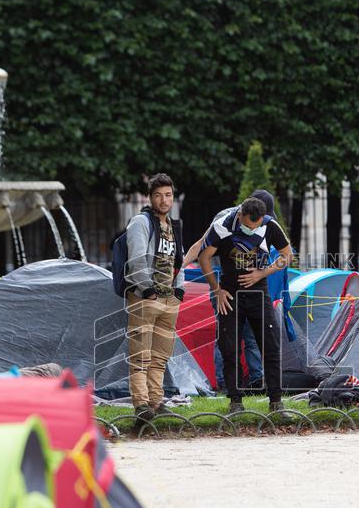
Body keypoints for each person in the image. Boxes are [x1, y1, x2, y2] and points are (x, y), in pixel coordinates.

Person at [197, 196, 292, 413]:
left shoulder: (269, 225)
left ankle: (276, 401)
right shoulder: (222, 226)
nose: (252, 230)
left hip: (260, 293)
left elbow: (287, 255)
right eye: (248, 226)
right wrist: (217, 290)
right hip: (230, 295)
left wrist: (262, 273)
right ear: (240, 216)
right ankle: (235, 401)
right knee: (229, 348)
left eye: (255, 227)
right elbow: (204, 257)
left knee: (271, 345)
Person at [183, 191, 279, 391]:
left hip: (253, 288)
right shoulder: (224, 219)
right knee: (227, 337)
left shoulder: (264, 222)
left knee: (253, 336)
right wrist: (181, 266)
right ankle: (225, 385)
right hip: (225, 288)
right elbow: (201, 245)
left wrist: (261, 274)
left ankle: (256, 382)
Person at [124, 173, 185, 421]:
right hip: (145, 298)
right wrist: (147, 289)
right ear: (150, 197)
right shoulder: (141, 223)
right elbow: (137, 258)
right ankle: (141, 405)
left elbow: (177, 260)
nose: (164, 200)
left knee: (160, 357)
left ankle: (157, 402)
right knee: (140, 356)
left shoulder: (173, 225)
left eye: (168, 195)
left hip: (169, 300)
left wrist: (179, 290)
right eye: (158, 195)